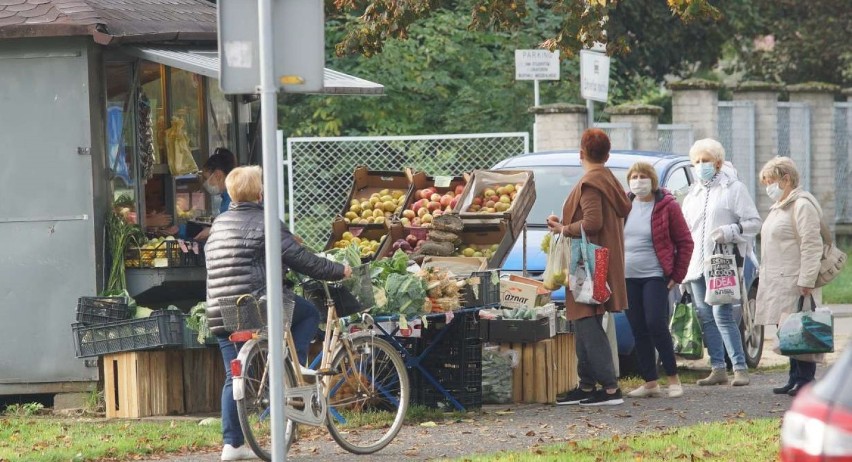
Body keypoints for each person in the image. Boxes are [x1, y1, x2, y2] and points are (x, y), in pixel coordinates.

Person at [204, 166, 352, 461]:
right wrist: (339, 271)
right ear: (260, 193)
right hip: (258, 305)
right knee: (309, 313)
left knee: (232, 377)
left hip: (222, 312)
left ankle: (231, 446)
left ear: (232, 192)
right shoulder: (267, 222)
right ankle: (288, 373)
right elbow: (302, 261)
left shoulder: (219, 223)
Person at [547, 128, 632, 406]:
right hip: (601, 261)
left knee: (587, 322)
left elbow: (592, 223)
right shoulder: (610, 180)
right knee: (584, 320)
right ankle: (585, 386)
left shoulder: (591, 183)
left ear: (581, 153)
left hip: (588, 265)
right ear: (607, 155)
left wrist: (563, 227)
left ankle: (609, 388)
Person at [681, 139, 761, 387]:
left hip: (721, 262)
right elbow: (685, 231)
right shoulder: (692, 194)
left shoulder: (733, 189)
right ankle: (717, 368)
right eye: (697, 161)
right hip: (695, 263)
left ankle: (739, 367)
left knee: (722, 313)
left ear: (717, 162)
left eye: (706, 160)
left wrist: (731, 230)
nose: (701, 165)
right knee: (705, 315)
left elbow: (754, 223)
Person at [623, 162, 694, 399]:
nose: (638, 180)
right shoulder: (624, 204)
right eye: (634, 176)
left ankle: (673, 378)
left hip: (655, 275)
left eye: (643, 176)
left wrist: (677, 275)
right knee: (638, 327)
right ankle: (650, 381)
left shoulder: (667, 205)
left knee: (655, 322)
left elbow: (685, 242)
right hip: (627, 276)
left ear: (652, 180)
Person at [755, 157, 823, 397]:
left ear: (786, 179)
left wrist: (806, 279)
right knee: (788, 331)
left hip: (795, 279)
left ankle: (806, 379)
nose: (768, 187)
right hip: (778, 279)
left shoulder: (802, 205)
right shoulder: (780, 205)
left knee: (801, 330)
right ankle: (794, 377)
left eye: (771, 181)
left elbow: (811, 244)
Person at [193, 148, 237, 241]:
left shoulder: (236, 197)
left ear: (218, 175)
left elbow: (236, 228)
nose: (205, 183)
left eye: (206, 178)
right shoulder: (227, 197)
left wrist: (213, 230)